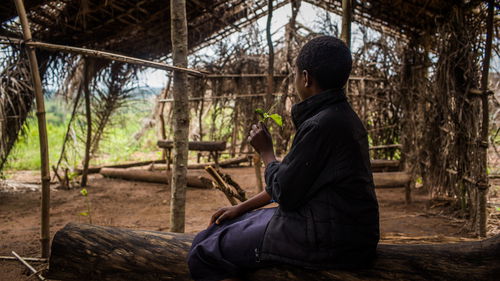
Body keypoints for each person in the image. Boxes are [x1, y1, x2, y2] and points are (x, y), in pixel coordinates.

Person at [187, 36, 380, 281]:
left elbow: (286, 193)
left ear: (306, 78)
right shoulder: (338, 116)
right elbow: (292, 180)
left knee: (204, 253)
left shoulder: (322, 125)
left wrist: (267, 153)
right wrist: (240, 208)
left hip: (332, 239)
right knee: (216, 231)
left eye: (296, 74)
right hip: (339, 228)